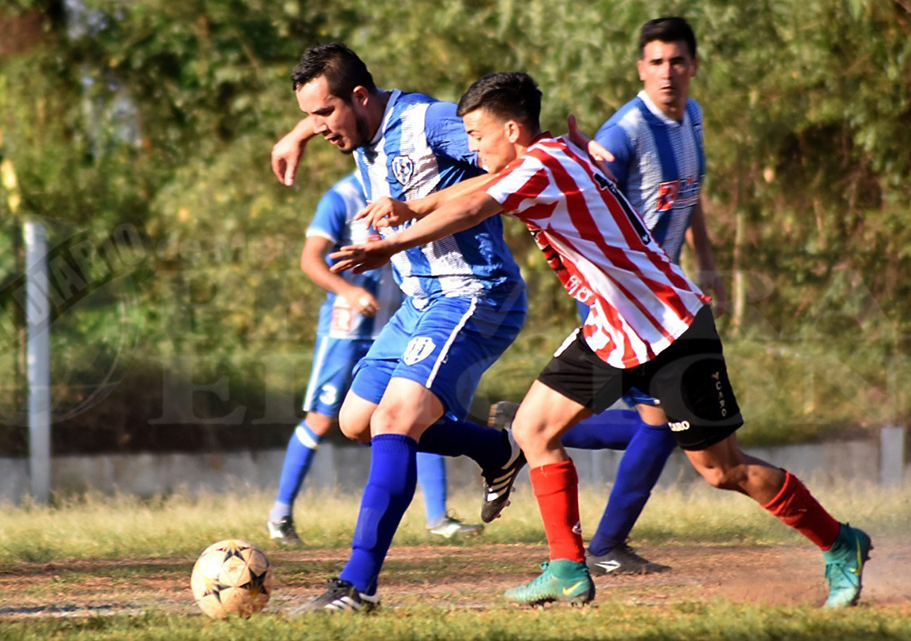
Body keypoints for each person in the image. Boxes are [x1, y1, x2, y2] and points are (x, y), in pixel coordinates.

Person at [335, 71, 870, 610]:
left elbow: (475, 205)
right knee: (532, 427)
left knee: (721, 470)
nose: (469, 145)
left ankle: (839, 541)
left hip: (670, 327)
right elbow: (477, 188)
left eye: (476, 134)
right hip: (612, 330)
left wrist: (395, 241)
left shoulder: (539, 168)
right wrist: (413, 207)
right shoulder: (547, 154)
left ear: (514, 130)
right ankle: (568, 567)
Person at [272, 43, 529, 614]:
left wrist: (412, 215)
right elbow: (329, 107)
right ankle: (496, 448)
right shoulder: (356, 125)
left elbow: (511, 167)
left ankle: (356, 587)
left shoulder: (428, 122)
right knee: (356, 421)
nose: (321, 128)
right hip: (420, 301)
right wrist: (296, 135)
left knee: (395, 419)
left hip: (473, 292)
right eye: (311, 115)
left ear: (359, 98)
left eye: (324, 116)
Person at [488, 16, 728, 576]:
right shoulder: (625, 133)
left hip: (659, 302)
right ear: (640, 69)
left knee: (662, 425)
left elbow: (688, 198)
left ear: (693, 66)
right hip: (620, 304)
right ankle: (603, 546)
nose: (668, 73)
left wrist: (708, 259)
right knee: (667, 425)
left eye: (678, 62)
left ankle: (519, 430)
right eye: (656, 63)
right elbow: (580, 190)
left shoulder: (690, 116)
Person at [268, 172, 483, 546]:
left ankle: (438, 518)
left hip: (399, 326)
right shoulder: (341, 197)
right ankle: (280, 515)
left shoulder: (404, 193)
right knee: (321, 421)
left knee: (417, 408)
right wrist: (347, 292)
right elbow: (310, 260)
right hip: (345, 331)